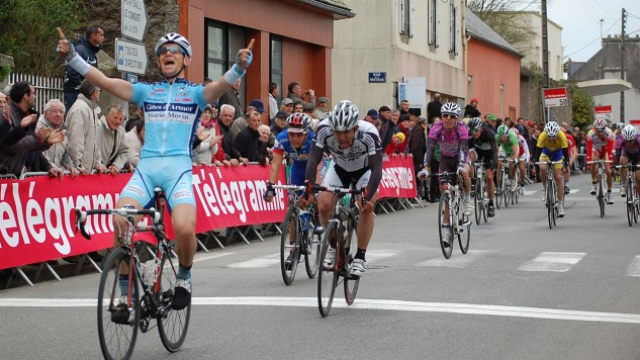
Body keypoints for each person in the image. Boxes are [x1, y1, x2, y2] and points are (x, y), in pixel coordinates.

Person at [57, 29, 253, 309]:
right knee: (120, 219)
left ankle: (183, 275)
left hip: (178, 171)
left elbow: (219, 86)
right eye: (163, 51)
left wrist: (239, 68)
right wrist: (74, 58)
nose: (168, 54)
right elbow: (103, 80)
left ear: (186, 60)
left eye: (174, 50)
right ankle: (127, 293)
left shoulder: (195, 93)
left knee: (185, 229)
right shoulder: (148, 91)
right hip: (146, 171)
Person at [303, 100, 382, 278]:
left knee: (364, 205)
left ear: (355, 128)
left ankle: (360, 257)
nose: (342, 138)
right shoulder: (323, 129)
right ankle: (333, 246)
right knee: (323, 203)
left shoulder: (369, 132)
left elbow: (377, 169)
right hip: (339, 169)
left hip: (365, 171)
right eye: (337, 132)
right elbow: (313, 159)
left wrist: (368, 196)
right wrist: (309, 185)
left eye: (346, 132)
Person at [418, 103, 473, 249]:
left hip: (461, 158)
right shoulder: (436, 128)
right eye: (445, 116)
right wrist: (425, 168)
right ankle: (447, 230)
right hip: (446, 160)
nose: (448, 119)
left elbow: (463, 148)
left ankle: (467, 198)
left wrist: (461, 165)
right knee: (445, 193)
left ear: (457, 118)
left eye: (452, 116)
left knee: (463, 172)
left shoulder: (462, 129)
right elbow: (429, 149)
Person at [264, 113, 315, 269]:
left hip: (313, 168)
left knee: (312, 198)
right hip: (297, 169)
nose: (294, 137)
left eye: (299, 134)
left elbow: (318, 166)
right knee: (294, 208)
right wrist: (270, 186)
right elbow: (276, 165)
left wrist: (312, 189)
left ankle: (315, 220)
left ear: (306, 133)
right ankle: (293, 249)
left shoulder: (314, 139)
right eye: (292, 133)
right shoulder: (282, 138)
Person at [0, 81, 65, 178]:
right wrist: (38, 139)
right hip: (4, 176)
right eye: (33, 93)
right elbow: (10, 145)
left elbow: (31, 149)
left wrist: (48, 167)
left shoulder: (28, 115)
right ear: (25, 96)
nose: (35, 97)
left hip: (13, 177)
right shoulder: (6, 113)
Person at [66, 79, 107, 174]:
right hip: (79, 172)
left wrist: (98, 162)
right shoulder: (80, 109)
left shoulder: (91, 110)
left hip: (85, 171)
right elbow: (76, 139)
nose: (100, 94)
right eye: (99, 91)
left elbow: (94, 141)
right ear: (95, 93)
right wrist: (78, 165)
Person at [63, 25, 104, 112]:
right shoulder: (80, 50)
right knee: (76, 117)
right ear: (93, 36)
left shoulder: (91, 52)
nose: (103, 38)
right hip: (74, 92)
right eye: (101, 35)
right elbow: (72, 72)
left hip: (84, 93)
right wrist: (82, 89)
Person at [533, 121, 569, 217]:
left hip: (558, 153)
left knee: (558, 177)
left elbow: (566, 153)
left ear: (557, 133)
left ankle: (560, 205)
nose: (552, 139)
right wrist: (536, 165)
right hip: (546, 152)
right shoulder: (542, 136)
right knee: (543, 167)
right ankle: (544, 187)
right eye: (550, 137)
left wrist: (566, 164)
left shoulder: (562, 135)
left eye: (554, 137)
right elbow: (537, 153)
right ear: (546, 134)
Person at [35, 99, 80, 177]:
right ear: (46, 113)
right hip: (40, 175)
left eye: (61, 112)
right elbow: (38, 153)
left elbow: (65, 154)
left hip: (56, 175)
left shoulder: (64, 130)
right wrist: (52, 167)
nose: (58, 114)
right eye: (54, 111)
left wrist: (70, 166)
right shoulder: (39, 128)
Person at [467, 117, 498, 217]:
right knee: (470, 156)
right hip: (478, 151)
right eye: (472, 131)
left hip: (489, 154)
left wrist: (494, 165)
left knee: (489, 178)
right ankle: (473, 181)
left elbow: (494, 151)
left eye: (476, 130)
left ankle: (491, 203)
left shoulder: (489, 134)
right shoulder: (470, 135)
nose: (474, 133)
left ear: (481, 129)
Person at [586, 119, 615, 204]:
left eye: (601, 131)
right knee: (593, 161)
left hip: (605, 150)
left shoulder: (609, 133)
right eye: (597, 131)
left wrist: (610, 162)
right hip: (596, 149)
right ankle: (594, 183)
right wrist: (588, 161)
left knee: (608, 172)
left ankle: (609, 192)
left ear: (604, 129)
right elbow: (588, 149)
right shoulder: (590, 134)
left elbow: (610, 150)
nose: (599, 133)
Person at [97, 104, 131, 175]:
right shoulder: (96, 126)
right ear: (106, 116)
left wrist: (116, 165)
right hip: (92, 172)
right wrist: (97, 164)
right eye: (115, 117)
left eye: (120, 119)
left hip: (104, 173)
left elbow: (124, 151)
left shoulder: (120, 131)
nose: (118, 121)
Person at [616, 125, 640, 198]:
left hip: (638, 156)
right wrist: (617, 167)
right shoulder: (619, 140)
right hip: (626, 155)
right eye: (626, 141)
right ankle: (623, 185)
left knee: (638, 177)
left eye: (631, 141)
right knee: (622, 161)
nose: (629, 143)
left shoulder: (639, 139)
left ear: (634, 138)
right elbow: (617, 155)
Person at [495, 124, 519, 192]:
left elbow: (516, 150)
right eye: (501, 137)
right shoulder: (496, 137)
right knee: (499, 164)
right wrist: (495, 157)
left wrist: (515, 158)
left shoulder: (512, 137)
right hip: (504, 149)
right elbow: (495, 149)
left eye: (504, 137)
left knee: (511, 162)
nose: (503, 138)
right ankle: (498, 184)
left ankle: (512, 179)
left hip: (513, 149)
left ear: (507, 134)